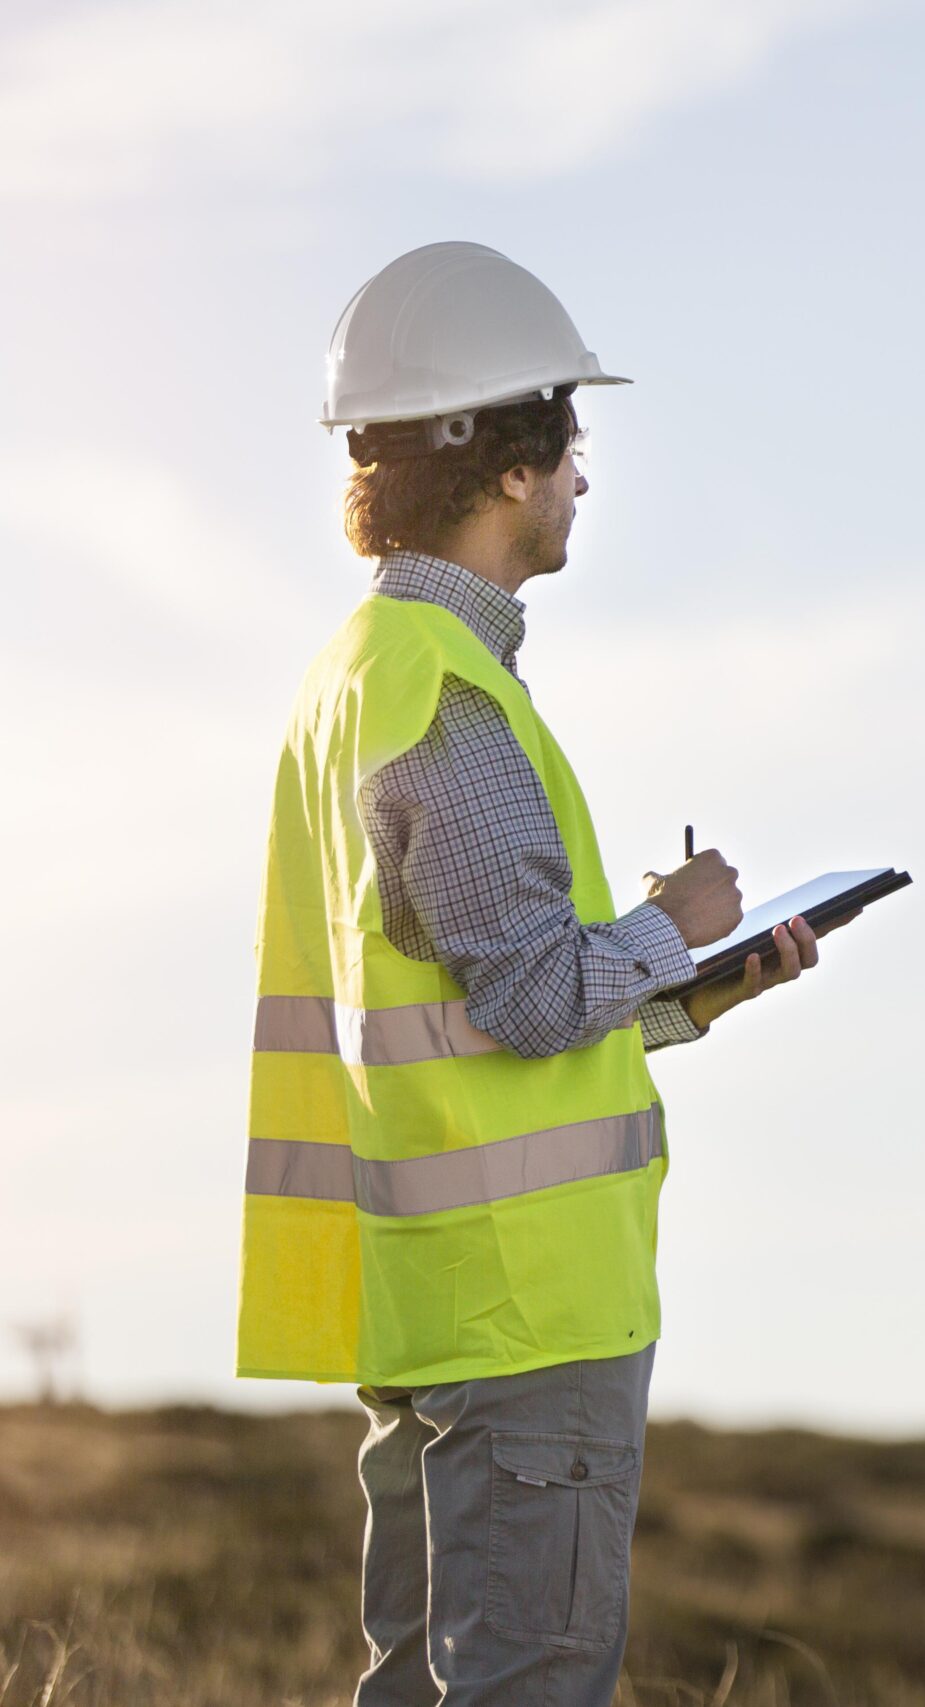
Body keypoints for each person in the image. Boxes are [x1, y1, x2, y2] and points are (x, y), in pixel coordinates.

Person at [237, 241, 825, 1705]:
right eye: (571, 445)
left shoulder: (355, 679)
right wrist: (676, 922)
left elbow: (464, 1009)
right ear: (506, 463)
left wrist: (697, 993)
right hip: (528, 1327)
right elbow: (525, 997)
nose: (583, 483)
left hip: (436, 1313)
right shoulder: (445, 693)